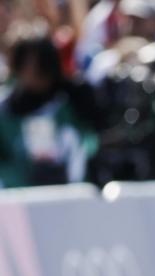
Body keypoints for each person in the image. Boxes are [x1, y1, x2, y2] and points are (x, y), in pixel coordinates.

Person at [0, 28, 99, 187]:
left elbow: (89, 141)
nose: (32, 72)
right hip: (19, 197)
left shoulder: (71, 99)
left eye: (39, 67)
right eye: (26, 65)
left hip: (67, 190)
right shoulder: (6, 110)